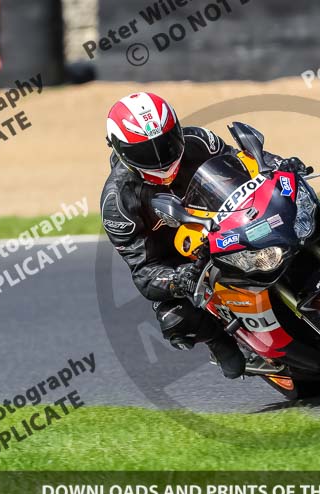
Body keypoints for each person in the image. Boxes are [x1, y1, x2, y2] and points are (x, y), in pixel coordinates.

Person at [100, 92, 308, 379]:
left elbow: (244, 163)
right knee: (176, 319)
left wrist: (276, 164)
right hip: (181, 260)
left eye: (166, 143)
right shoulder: (118, 203)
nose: (160, 159)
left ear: (176, 130)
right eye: (145, 153)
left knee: (297, 208)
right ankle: (219, 341)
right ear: (121, 151)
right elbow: (143, 271)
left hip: (233, 222)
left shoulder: (198, 141)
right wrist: (177, 279)